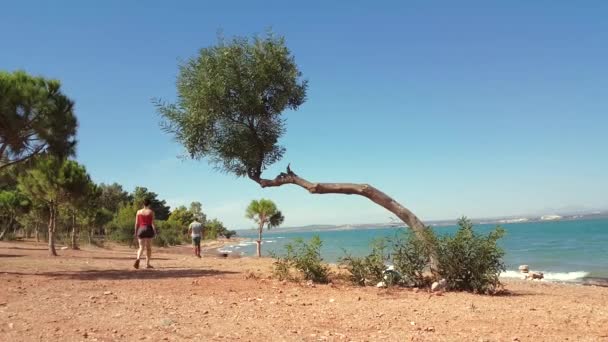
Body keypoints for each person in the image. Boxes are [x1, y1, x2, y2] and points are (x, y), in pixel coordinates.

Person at [133, 199, 157, 269]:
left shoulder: (138, 212)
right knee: (148, 248)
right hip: (148, 229)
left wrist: (135, 232)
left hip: (140, 230)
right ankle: (147, 264)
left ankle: (138, 259)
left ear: (143, 204)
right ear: (149, 204)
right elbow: (152, 223)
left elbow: (137, 223)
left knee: (141, 247)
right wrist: (155, 231)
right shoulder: (151, 212)